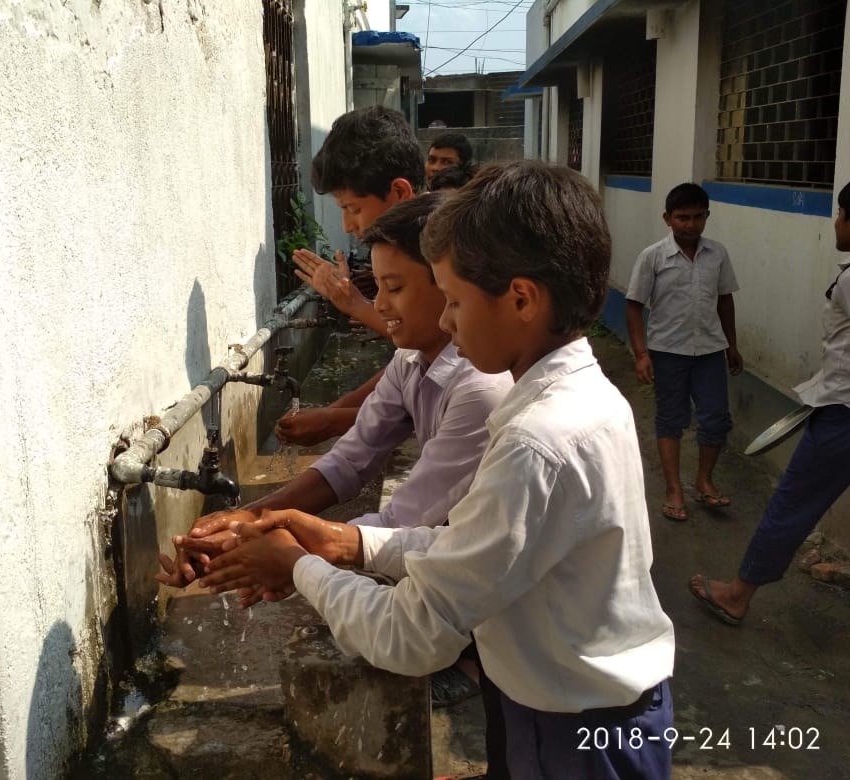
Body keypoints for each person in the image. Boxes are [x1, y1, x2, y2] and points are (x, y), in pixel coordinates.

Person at [197, 162, 676, 779]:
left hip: (576, 728)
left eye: (454, 301)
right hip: (561, 697)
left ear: (522, 299)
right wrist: (344, 542)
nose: (447, 322)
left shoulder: (534, 440)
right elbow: (472, 546)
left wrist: (297, 566)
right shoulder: (577, 396)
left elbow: (414, 633)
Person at [162, 194, 512, 707]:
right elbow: (350, 460)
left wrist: (289, 558)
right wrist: (246, 523)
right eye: (379, 287)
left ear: (447, 287)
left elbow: (403, 522)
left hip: (496, 591)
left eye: (394, 288)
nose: (380, 307)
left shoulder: (481, 387)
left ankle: (470, 659)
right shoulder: (410, 360)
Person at [689, 181, 850, 627]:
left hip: (842, 416)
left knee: (792, 503)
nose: (836, 224)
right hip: (836, 404)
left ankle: (736, 596)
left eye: (841, 215)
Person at [280, 105, 425, 446]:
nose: (347, 225)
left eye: (353, 209)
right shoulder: (408, 244)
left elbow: (427, 356)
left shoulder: (441, 254)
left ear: (399, 192)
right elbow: (410, 365)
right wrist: (333, 413)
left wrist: (333, 419)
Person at [626, 183, 743, 522]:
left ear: (707, 216)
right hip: (667, 352)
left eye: (698, 217)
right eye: (683, 217)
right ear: (667, 218)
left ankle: (704, 481)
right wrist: (641, 354)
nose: (691, 224)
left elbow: (725, 300)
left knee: (716, 419)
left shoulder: (717, 254)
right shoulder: (653, 257)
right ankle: (674, 489)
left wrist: (732, 345)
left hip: (710, 350)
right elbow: (633, 306)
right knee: (671, 418)